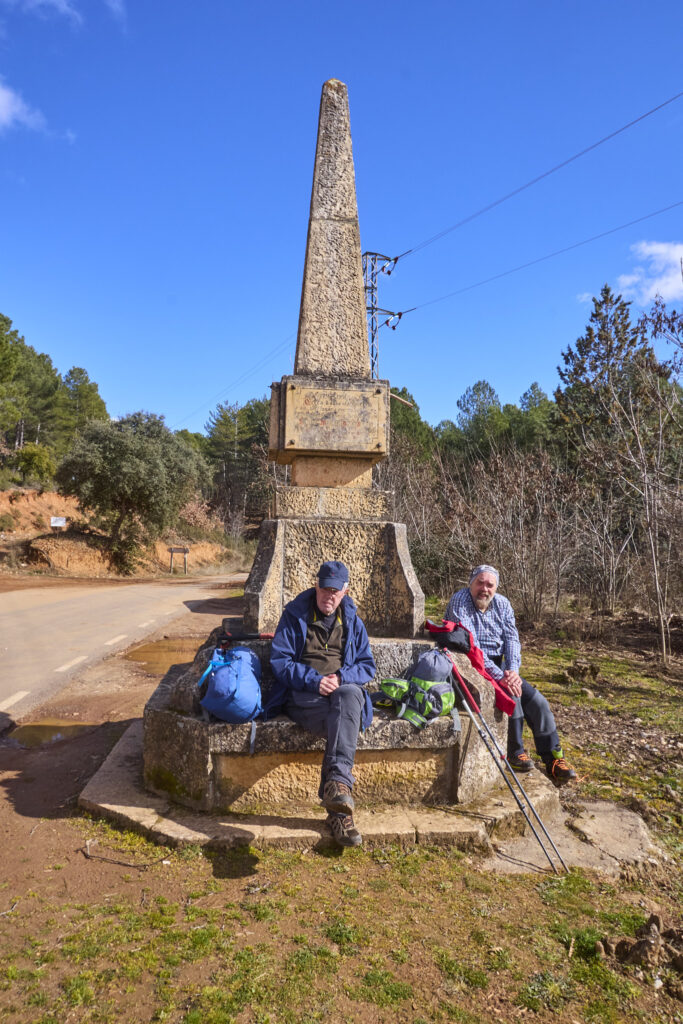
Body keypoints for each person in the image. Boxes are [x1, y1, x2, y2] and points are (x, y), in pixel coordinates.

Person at [267, 560, 376, 847]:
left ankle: (337, 790)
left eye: (335, 591)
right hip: (304, 696)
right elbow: (280, 662)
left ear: (345, 591)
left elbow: (367, 666)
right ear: (316, 586)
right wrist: (315, 680)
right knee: (344, 718)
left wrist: (340, 677)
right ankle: (340, 809)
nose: (329, 596)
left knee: (349, 695)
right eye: (324, 589)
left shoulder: (352, 620)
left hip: (340, 696)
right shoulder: (295, 615)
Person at [446, 565, 576, 784]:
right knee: (512, 696)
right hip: (469, 664)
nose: (484, 589)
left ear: (496, 587)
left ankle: (553, 758)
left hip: (500, 666)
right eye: (480, 583)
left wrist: (513, 671)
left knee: (538, 702)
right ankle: (516, 752)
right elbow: (471, 646)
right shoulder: (460, 601)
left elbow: (512, 640)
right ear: (471, 583)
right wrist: (501, 677)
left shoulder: (502, 604)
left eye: (490, 585)